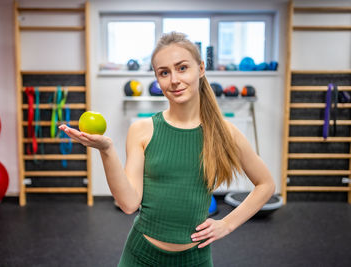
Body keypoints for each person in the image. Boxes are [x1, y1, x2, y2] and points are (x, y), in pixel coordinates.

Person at [59, 31, 275, 266]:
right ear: (157, 79)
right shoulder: (142, 130)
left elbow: (266, 184)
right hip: (140, 256)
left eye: (182, 68)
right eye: (164, 72)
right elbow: (129, 203)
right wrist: (107, 150)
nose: (174, 80)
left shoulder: (225, 132)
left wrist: (227, 224)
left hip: (195, 259)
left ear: (201, 68)